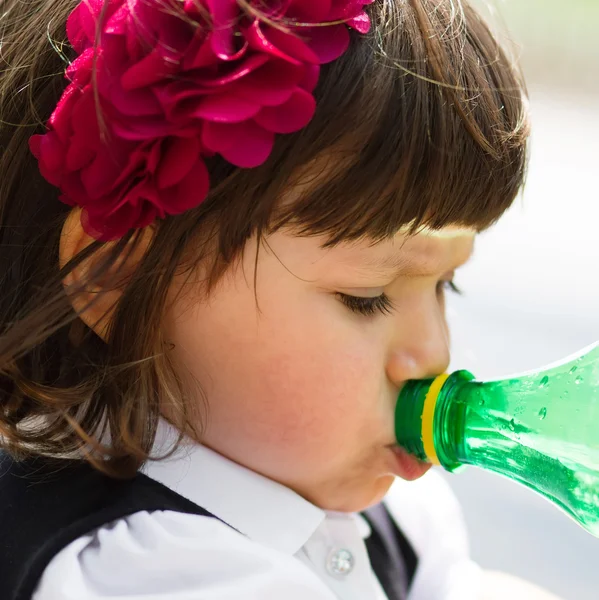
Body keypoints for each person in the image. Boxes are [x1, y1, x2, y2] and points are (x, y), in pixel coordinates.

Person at [0, 0, 560, 598]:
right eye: (365, 297)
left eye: (445, 285)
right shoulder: (144, 572)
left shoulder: (364, 494)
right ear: (115, 277)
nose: (433, 355)